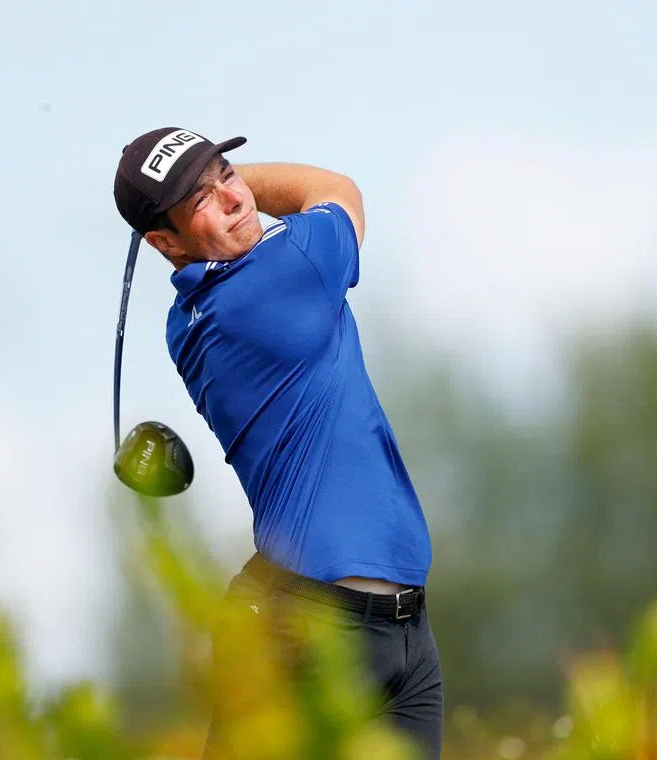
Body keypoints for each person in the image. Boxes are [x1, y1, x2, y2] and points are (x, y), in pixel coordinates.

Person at [112, 126, 443, 758]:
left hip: (399, 632)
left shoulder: (188, 318)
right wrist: (244, 179)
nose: (236, 199)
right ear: (164, 242)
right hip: (318, 631)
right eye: (201, 199)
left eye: (227, 174)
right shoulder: (281, 276)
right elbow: (335, 189)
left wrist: (209, 185)